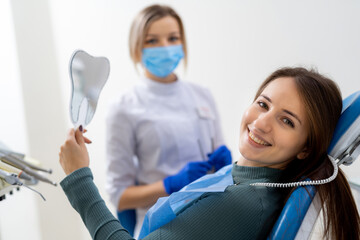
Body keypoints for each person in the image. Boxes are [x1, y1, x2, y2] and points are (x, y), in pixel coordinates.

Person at [59, 67, 360, 239]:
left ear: (306, 148)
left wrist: (79, 177)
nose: (261, 122)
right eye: (263, 104)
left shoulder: (243, 203)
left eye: (286, 120)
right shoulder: (254, 183)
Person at [105, 4, 231, 236]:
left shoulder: (202, 95)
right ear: (136, 48)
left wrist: (228, 166)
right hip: (161, 223)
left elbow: (220, 159)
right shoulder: (123, 108)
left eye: (173, 38)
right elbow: (119, 196)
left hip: (211, 212)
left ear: (182, 44)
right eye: (152, 41)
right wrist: (170, 185)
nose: (164, 47)